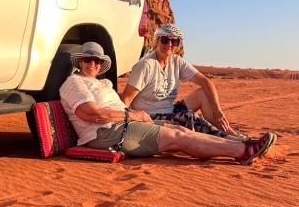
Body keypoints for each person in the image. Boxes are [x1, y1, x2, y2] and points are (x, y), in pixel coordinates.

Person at [59, 41, 276, 164]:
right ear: (79, 61)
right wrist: (133, 115)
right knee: (177, 137)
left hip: (122, 126)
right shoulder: (74, 82)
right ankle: (242, 152)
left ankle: (244, 145)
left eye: (97, 61)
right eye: (88, 60)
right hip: (105, 134)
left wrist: (136, 116)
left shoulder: (103, 83)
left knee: (179, 128)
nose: (92, 64)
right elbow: (92, 114)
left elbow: (116, 107)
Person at [121, 23, 243, 139]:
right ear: (156, 41)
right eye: (165, 40)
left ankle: (233, 135)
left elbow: (206, 82)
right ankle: (233, 141)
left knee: (203, 94)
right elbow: (126, 99)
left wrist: (218, 112)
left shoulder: (176, 61)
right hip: (150, 116)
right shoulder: (146, 65)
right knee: (190, 118)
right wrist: (124, 130)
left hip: (170, 111)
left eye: (174, 41)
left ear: (179, 44)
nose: (169, 44)